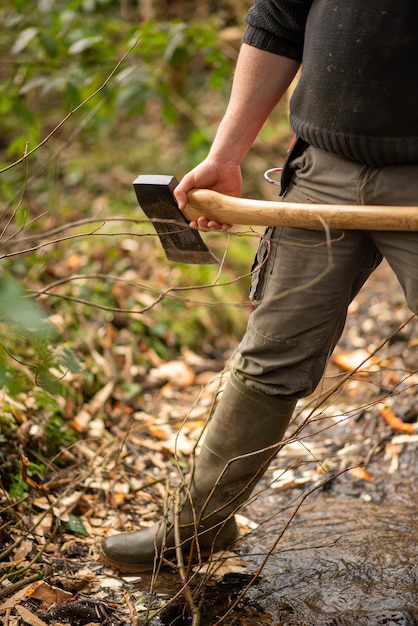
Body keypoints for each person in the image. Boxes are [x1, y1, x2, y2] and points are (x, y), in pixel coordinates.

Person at [101, 0, 418, 570]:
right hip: (323, 170)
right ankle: (196, 530)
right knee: (270, 353)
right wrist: (226, 153)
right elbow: (278, 20)